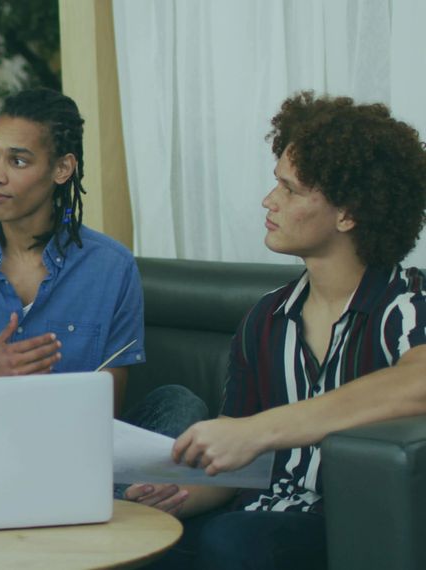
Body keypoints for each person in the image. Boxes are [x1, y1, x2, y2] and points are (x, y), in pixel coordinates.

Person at [126, 91, 426, 570]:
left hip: (340, 528)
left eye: (291, 189)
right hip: (250, 520)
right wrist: (178, 493)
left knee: (231, 542)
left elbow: (419, 381)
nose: (270, 200)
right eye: (276, 184)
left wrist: (258, 431)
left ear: (348, 213)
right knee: (146, 543)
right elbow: (239, 466)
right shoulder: (265, 318)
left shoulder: (406, 306)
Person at [0, 87, 206, 433]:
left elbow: (105, 419)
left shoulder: (111, 269)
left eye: (18, 161)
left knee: (179, 404)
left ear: (62, 169)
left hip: (71, 447)